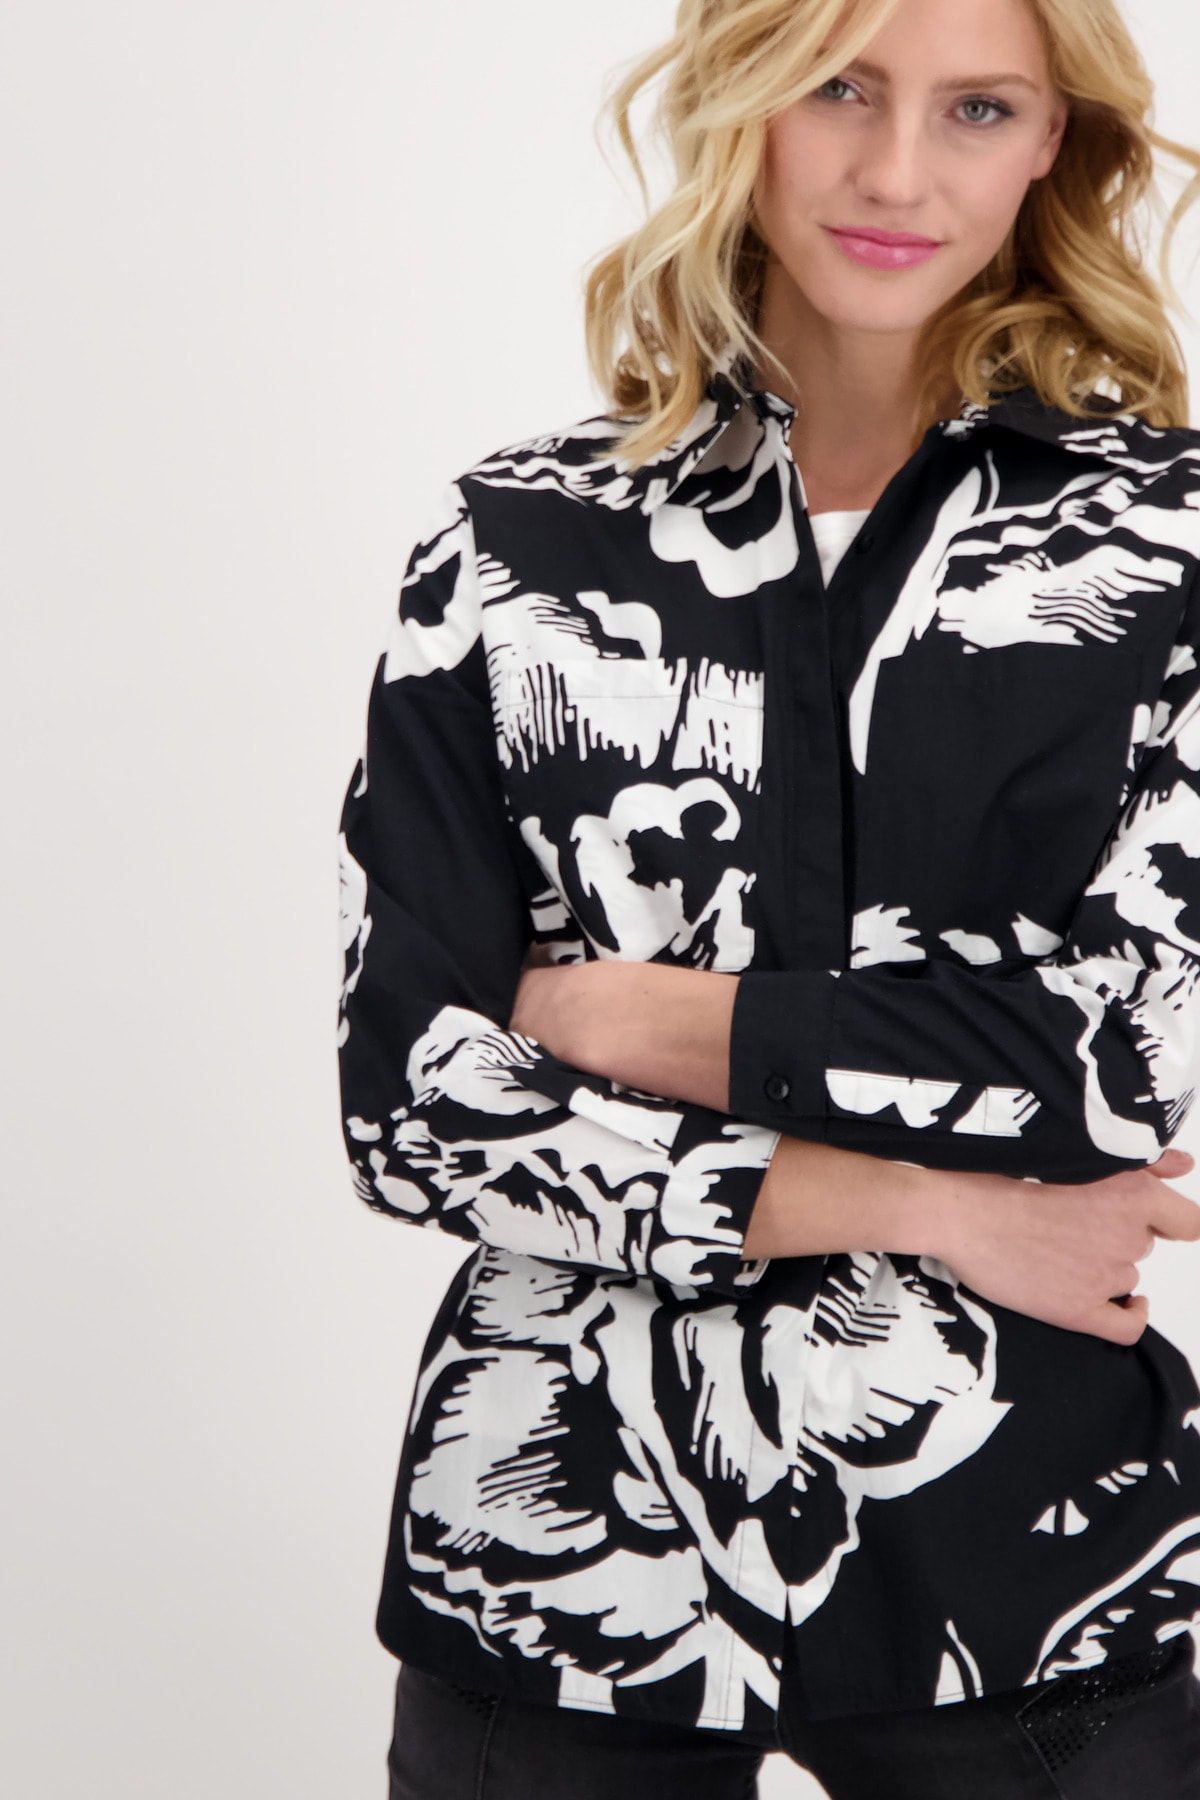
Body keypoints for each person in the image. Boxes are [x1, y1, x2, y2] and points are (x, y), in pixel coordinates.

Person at [336, 0, 1200, 1792]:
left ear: (1054, 139)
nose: (897, 171)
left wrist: (639, 1015)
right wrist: (932, 1204)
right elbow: (411, 1108)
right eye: (839, 87)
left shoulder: (1170, 551)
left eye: (978, 108)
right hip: (562, 1563)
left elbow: (1132, 1056)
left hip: (1028, 1558)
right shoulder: (513, 549)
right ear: (745, 101)